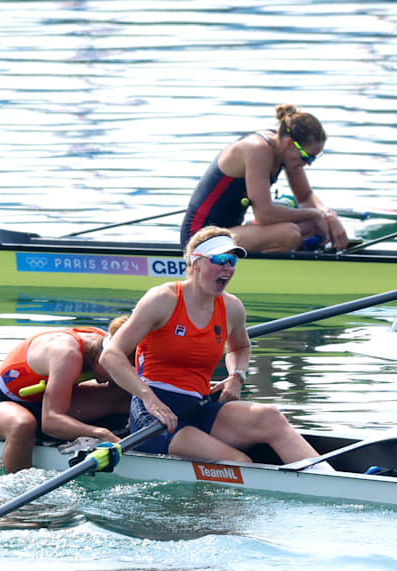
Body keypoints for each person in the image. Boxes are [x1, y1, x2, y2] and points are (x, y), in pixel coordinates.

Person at [100, 226, 330, 468]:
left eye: (232, 261)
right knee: (237, 461)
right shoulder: (163, 299)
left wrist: (236, 376)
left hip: (199, 407)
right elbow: (111, 356)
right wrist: (149, 398)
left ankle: (330, 478)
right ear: (196, 263)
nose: (227, 267)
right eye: (219, 259)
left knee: (269, 416)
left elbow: (240, 347)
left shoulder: (232, 308)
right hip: (156, 414)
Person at [180, 104, 348, 253]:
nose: (308, 163)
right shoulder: (257, 149)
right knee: (289, 234)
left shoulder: (285, 152)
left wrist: (328, 216)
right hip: (199, 237)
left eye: (314, 158)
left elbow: (305, 197)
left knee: (314, 226)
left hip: (230, 232)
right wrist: (313, 214)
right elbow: (265, 215)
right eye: (307, 157)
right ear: (290, 143)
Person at [0, 324, 131, 473]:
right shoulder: (67, 353)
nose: (119, 375)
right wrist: (100, 433)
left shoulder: (105, 341)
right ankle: (15, 492)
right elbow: (50, 423)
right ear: (106, 355)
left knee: (125, 398)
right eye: (117, 368)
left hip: (43, 403)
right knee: (22, 425)